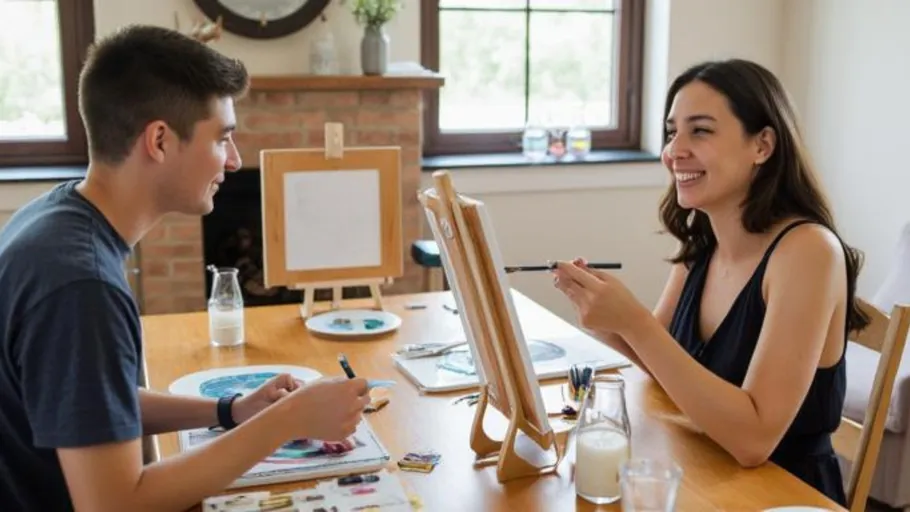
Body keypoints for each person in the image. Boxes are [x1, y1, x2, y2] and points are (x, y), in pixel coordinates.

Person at [0, 25, 371, 511]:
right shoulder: (82, 285)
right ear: (159, 140)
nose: (235, 160)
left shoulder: (55, 220)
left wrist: (232, 410)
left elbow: (90, 403)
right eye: (222, 138)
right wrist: (285, 421)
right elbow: (115, 504)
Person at [551, 58, 868, 506]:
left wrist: (635, 324)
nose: (674, 151)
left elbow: (754, 440)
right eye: (671, 132)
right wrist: (603, 315)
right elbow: (662, 365)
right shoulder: (705, 238)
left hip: (781, 495)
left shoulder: (809, 252)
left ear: (762, 145)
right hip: (705, 468)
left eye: (700, 131)